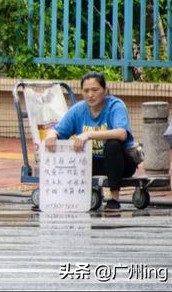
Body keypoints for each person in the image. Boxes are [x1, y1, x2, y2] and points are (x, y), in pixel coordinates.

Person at [44, 71, 138, 212]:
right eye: (86, 91)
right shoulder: (78, 110)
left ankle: (114, 199)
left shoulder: (115, 106)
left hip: (121, 162)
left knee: (112, 144)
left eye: (95, 90)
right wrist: (51, 135)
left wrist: (89, 135)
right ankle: (62, 197)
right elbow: (58, 130)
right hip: (92, 162)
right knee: (70, 152)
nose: (90, 95)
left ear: (104, 90)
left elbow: (122, 133)